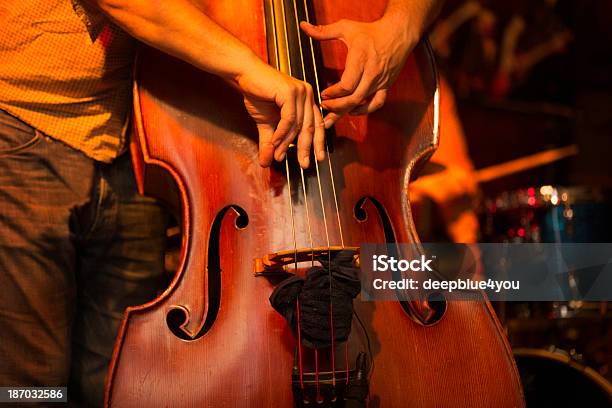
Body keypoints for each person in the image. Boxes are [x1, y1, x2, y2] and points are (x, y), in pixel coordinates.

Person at [0, 0, 443, 405]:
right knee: (31, 388)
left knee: (114, 383)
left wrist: (399, 29)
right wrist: (246, 69)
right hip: (25, 120)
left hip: (139, 137)